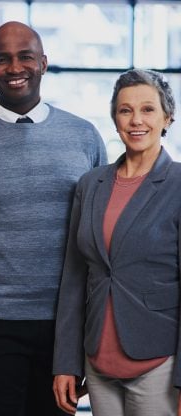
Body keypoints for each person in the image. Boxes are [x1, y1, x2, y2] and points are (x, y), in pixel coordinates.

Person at [0, 21, 108, 416]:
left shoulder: (84, 135)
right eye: (2, 59)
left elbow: (100, 232)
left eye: (25, 56)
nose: (15, 68)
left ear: (43, 62)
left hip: (64, 323)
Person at [53, 69, 179, 416]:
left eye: (148, 109)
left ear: (168, 117)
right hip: (97, 360)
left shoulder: (178, 184)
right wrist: (66, 362)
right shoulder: (91, 184)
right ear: (114, 119)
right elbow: (75, 279)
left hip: (158, 360)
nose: (136, 120)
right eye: (125, 110)